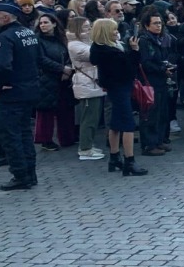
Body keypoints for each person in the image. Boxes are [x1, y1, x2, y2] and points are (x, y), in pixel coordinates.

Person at [0, 3, 42, 191]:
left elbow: (2, 66)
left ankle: (20, 175)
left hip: (12, 93)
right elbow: (39, 59)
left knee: (10, 135)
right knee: (25, 133)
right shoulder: (28, 33)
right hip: (30, 90)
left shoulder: (5, 37)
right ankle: (30, 173)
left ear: (6, 17)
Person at [90, 19, 148, 177]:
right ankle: (129, 160)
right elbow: (129, 69)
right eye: (113, 30)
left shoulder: (100, 49)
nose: (117, 32)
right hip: (120, 88)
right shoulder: (111, 52)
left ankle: (114, 157)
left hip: (113, 88)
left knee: (115, 124)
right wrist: (135, 51)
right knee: (128, 125)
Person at [32, 12, 76, 152]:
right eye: (41, 23)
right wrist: (61, 69)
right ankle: (46, 140)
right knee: (47, 110)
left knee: (66, 108)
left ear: (54, 24)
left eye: (46, 22)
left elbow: (69, 54)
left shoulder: (61, 39)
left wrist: (68, 69)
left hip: (64, 79)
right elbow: (41, 59)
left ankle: (67, 137)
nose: (43, 25)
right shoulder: (37, 40)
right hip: (47, 78)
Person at [67, 16, 106, 161]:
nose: (89, 29)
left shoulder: (85, 41)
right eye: (85, 27)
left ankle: (88, 144)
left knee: (93, 116)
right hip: (86, 83)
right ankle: (85, 148)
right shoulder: (75, 45)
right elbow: (93, 55)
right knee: (88, 118)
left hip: (92, 83)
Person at [137, 9, 175, 156]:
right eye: (155, 23)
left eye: (160, 23)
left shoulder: (159, 39)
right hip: (149, 82)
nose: (158, 26)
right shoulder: (145, 41)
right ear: (147, 25)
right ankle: (149, 144)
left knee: (161, 112)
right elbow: (145, 63)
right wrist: (161, 69)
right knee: (150, 114)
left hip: (160, 81)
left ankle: (158, 140)